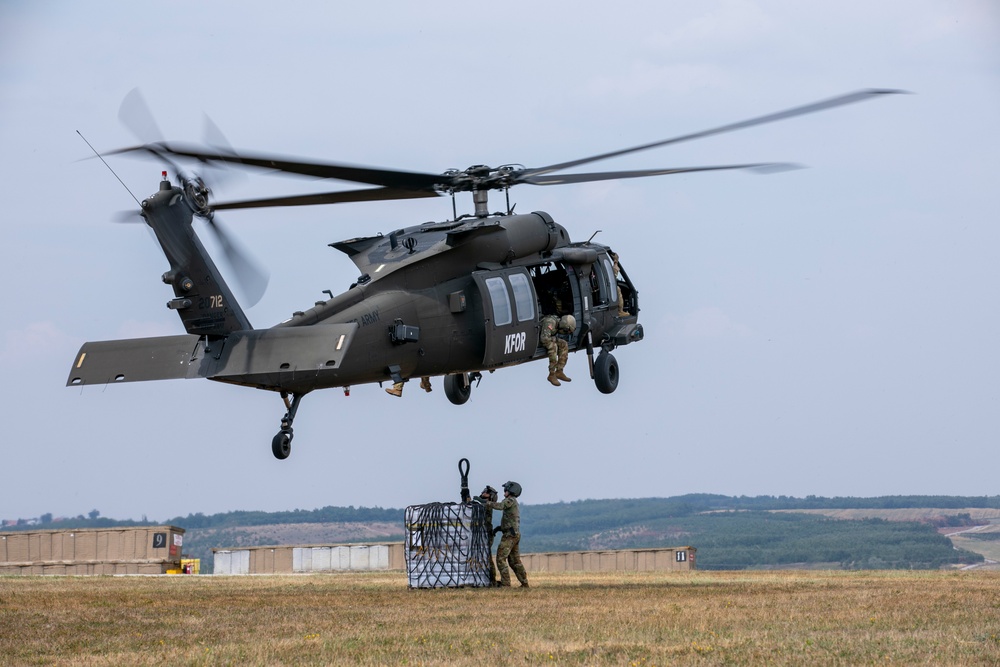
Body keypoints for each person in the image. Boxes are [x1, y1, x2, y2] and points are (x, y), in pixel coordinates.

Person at [483, 481, 529, 588]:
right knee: (514, 561)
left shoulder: (510, 501)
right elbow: (509, 520)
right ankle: (524, 583)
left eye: (506, 490)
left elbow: (500, 506)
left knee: (500, 558)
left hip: (510, 535)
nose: (504, 492)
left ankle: (505, 584)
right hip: (514, 534)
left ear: (511, 491)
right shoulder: (513, 502)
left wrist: (486, 503)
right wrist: (499, 528)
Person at [539, 314, 576, 387]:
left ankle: (559, 371)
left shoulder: (557, 324)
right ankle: (551, 374)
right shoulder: (550, 322)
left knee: (563, 344)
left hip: (547, 338)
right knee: (553, 346)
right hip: (538, 340)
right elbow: (544, 339)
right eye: (566, 330)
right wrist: (554, 339)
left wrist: (554, 339)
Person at [478, 485, 499, 586]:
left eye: (486, 492)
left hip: (486, 534)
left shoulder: (487, 505)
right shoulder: (484, 504)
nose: (483, 492)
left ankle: (492, 580)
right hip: (482, 534)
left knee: (487, 558)